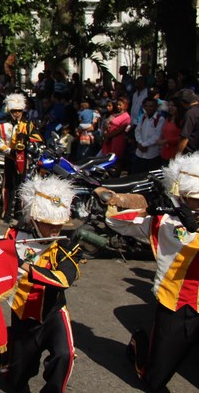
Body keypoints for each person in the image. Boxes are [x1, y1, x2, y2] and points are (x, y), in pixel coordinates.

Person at [111, 154, 199, 391]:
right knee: (155, 380)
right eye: (195, 200)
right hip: (176, 304)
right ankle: (139, 345)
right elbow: (115, 222)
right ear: (182, 195)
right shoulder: (166, 221)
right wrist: (150, 209)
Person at [4, 175, 81, 393]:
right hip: (23, 312)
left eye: (59, 224)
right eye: (49, 224)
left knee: (65, 355)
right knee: (17, 381)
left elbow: (63, 279)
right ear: (35, 220)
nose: (56, 230)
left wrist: (25, 266)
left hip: (53, 312)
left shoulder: (66, 244)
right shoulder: (14, 235)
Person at [0, 93, 42, 223]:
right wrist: (10, 151)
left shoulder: (27, 125)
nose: (17, 114)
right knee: (9, 186)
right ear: (10, 111)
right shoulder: (3, 126)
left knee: (21, 185)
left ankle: (18, 211)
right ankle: (7, 212)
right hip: (10, 158)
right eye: (14, 111)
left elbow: (39, 138)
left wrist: (27, 138)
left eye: (19, 111)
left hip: (23, 159)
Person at [133, 97, 164, 174]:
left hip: (152, 154)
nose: (148, 108)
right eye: (146, 106)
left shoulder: (160, 119)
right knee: (137, 174)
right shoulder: (143, 117)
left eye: (151, 106)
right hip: (140, 153)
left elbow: (157, 136)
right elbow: (137, 130)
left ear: (155, 107)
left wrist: (144, 144)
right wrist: (140, 142)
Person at [101, 97, 131, 172]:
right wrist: (105, 131)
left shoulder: (127, 117)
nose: (118, 106)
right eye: (117, 105)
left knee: (116, 161)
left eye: (120, 105)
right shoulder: (115, 114)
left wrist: (108, 136)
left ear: (125, 106)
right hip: (108, 140)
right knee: (106, 159)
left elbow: (120, 130)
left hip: (117, 141)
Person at [176, 89, 199, 156]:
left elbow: (184, 139)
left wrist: (177, 156)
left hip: (191, 156)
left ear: (183, 103)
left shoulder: (190, 114)